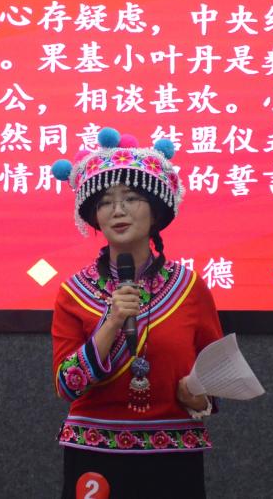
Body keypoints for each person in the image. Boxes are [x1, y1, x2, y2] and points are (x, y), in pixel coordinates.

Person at [50, 127, 223, 498]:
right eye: (106, 202)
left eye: (131, 198)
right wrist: (112, 321)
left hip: (172, 457)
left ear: (155, 210)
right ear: (95, 217)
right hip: (95, 456)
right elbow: (67, 385)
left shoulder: (190, 288)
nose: (118, 211)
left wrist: (201, 400)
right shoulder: (73, 293)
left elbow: (216, 374)